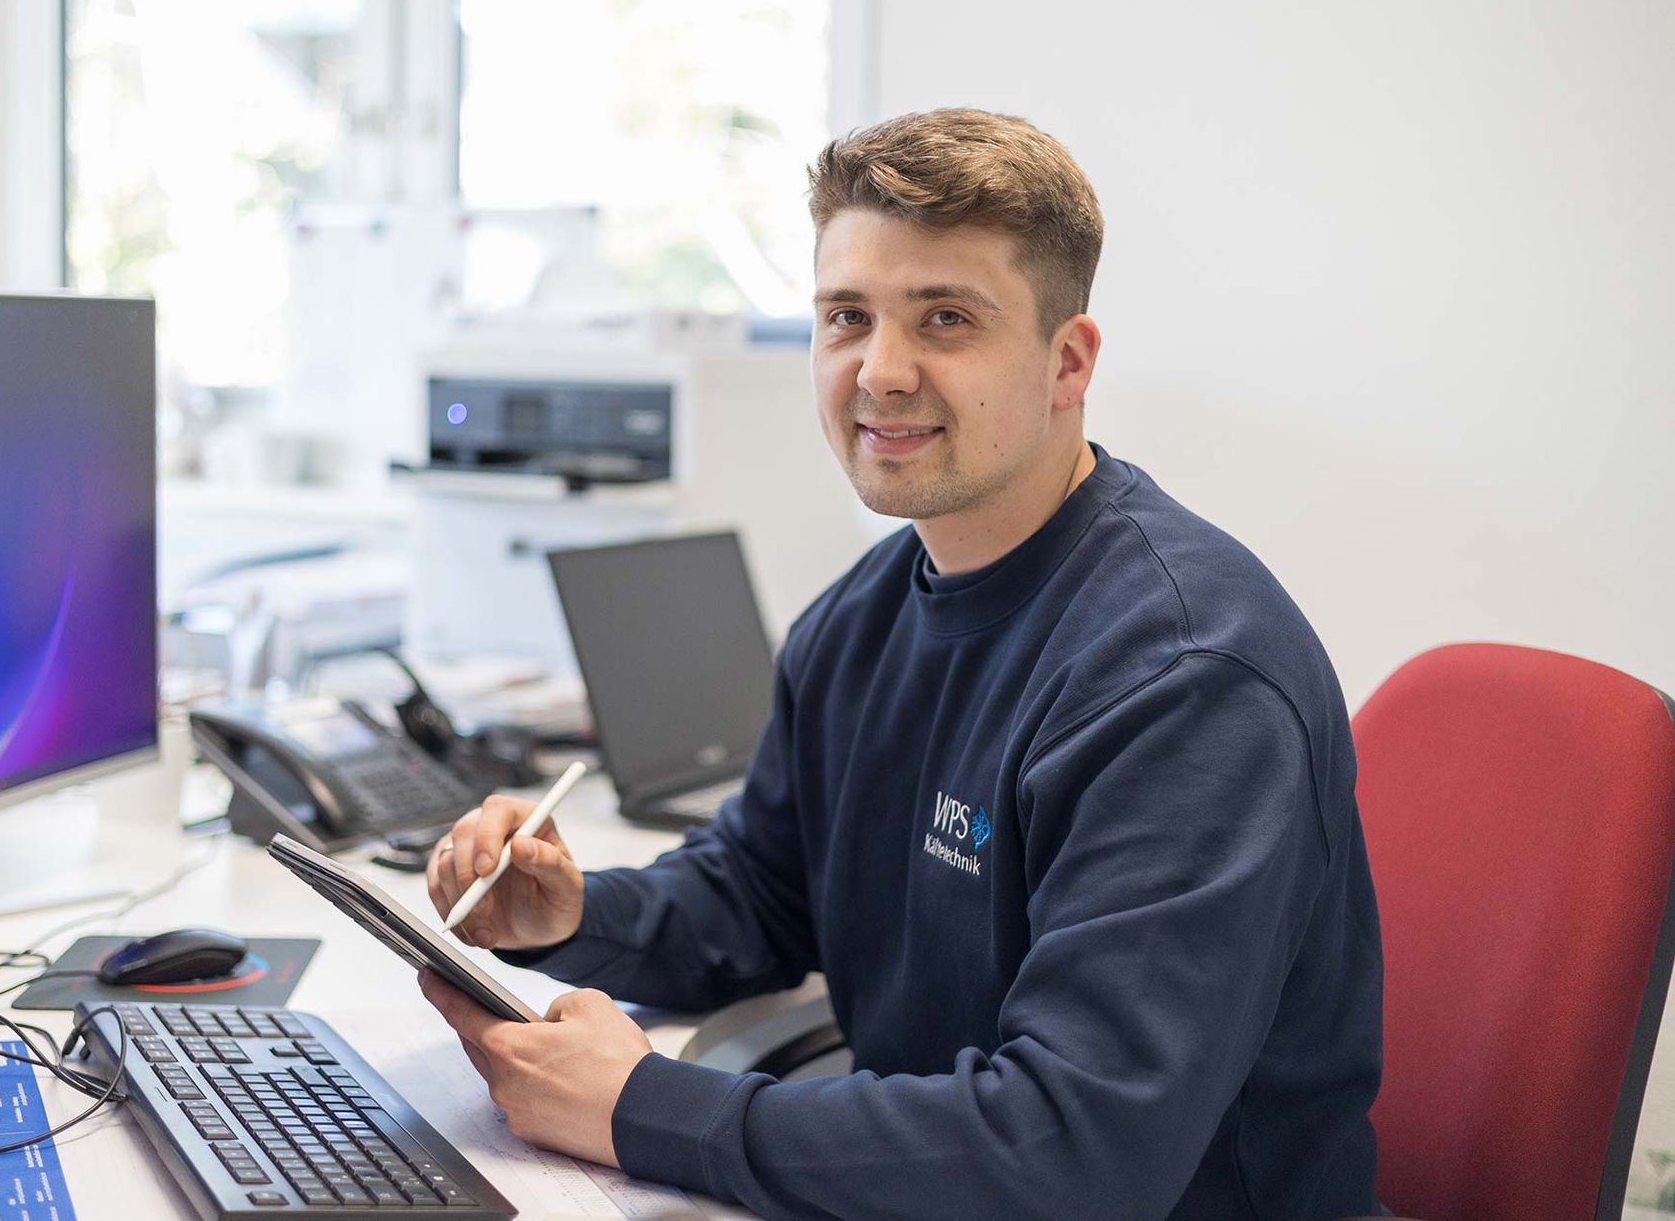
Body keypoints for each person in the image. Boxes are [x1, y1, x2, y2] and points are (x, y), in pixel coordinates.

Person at [420, 108, 1384, 1220]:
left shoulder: (1184, 676)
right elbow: (766, 891)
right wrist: (576, 918)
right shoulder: (859, 619)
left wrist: (639, 1107)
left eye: (946, 318)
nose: (880, 372)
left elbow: (1077, 1150)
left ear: (1066, 362)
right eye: (847, 316)